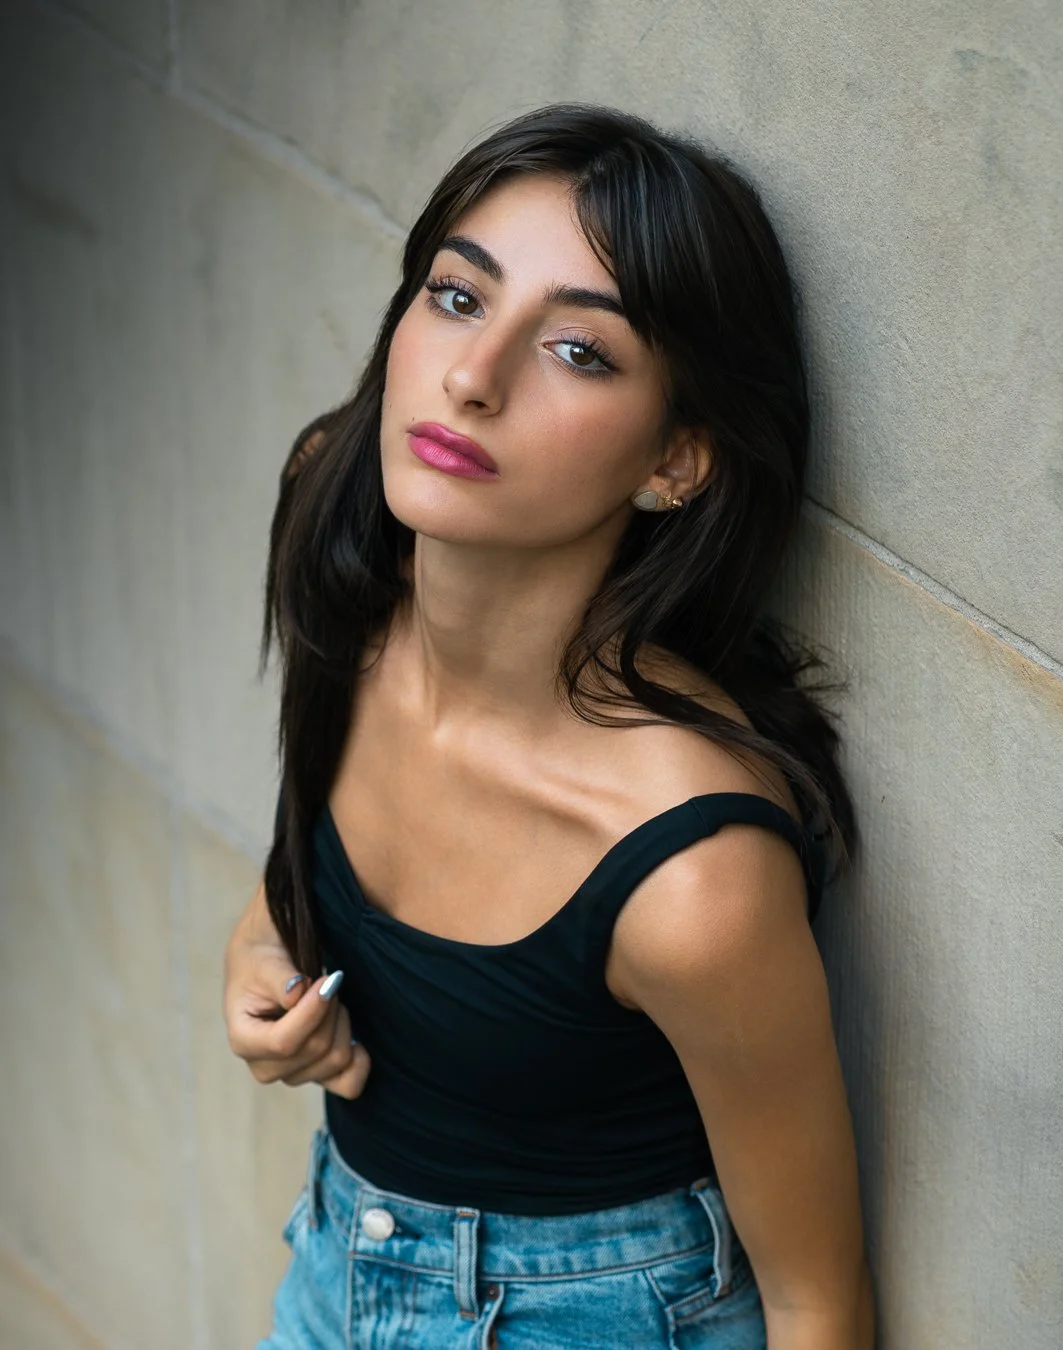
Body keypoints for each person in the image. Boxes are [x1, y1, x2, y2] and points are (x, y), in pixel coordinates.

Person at [222, 101, 875, 1349]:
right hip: (334, 1275)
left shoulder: (690, 872)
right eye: (460, 298)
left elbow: (817, 1302)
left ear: (676, 462)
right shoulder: (343, 537)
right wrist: (256, 961)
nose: (472, 378)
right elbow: (300, 864)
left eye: (579, 352)